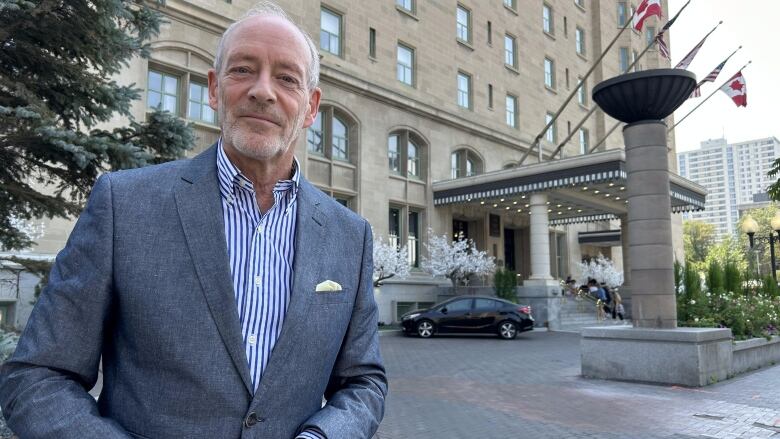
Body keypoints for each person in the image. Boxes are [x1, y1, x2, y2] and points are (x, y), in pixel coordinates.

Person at [0, 3, 387, 438]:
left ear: (311, 107)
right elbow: (37, 376)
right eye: (242, 70)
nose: (263, 90)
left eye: (286, 78)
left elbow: (363, 383)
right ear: (214, 89)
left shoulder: (349, 235)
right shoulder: (124, 207)